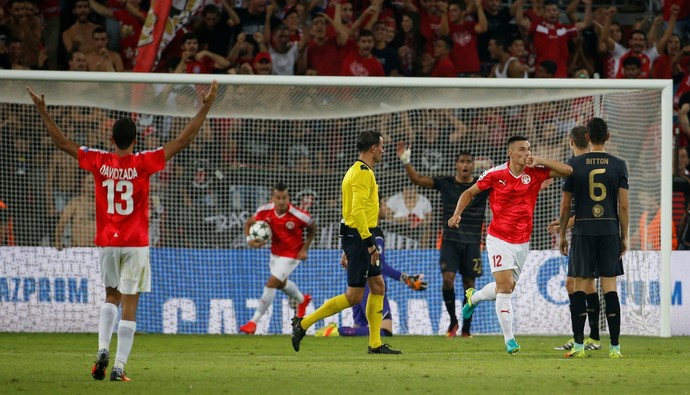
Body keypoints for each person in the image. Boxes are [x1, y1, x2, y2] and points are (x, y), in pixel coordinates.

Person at [26, 80, 218, 381]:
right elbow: (183, 140)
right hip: (137, 243)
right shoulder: (144, 162)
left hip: (107, 242)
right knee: (130, 305)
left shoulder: (100, 161)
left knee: (111, 297)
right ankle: (117, 367)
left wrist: (43, 111)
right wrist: (205, 106)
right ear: (135, 138)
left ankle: (102, 348)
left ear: (111, 138)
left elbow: (61, 143)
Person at [449, 135, 573, 354]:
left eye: (529, 149)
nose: (527, 153)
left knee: (504, 288)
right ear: (511, 153)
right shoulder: (495, 175)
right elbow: (469, 192)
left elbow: (567, 171)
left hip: (523, 241)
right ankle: (510, 340)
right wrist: (457, 214)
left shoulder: (536, 172)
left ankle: (474, 297)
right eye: (522, 150)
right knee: (505, 288)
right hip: (498, 239)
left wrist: (540, 159)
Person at [291, 131, 402, 354]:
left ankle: (375, 344)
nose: (383, 150)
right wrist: (369, 244)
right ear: (373, 148)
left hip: (356, 236)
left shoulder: (358, 170)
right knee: (354, 296)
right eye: (381, 146)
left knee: (378, 285)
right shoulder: (362, 173)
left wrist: (347, 247)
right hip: (361, 238)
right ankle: (302, 324)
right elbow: (357, 211)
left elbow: (348, 213)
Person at [397, 143, 488, 337]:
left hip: (473, 243)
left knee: (469, 286)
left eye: (469, 162)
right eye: (462, 161)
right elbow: (417, 179)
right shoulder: (446, 183)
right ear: (456, 164)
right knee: (448, 280)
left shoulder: (481, 186)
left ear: (473, 165)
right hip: (449, 241)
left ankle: (467, 328)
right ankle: (453, 321)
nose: (465, 165)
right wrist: (406, 160)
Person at [559, 117, 629, 359]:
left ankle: (579, 347)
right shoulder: (619, 165)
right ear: (608, 137)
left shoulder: (574, 164)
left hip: (583, 232)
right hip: (609, 231)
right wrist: (624, 237)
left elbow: (566, 206)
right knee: (610, 288)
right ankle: (615, 348)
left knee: (580, 286)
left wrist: (561, 235)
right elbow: (624, 207)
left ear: (587, 137)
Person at [319, 203, 427, 337]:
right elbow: (379, 265)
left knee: (358, 327)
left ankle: (335, 332)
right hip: (371, 287)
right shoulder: (374, 232)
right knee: (385, 331)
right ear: (375, 207)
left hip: (357, 283)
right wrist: (406, 278)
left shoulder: (358, 229)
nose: (386, 209)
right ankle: (336, 331)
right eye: (383, 205)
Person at [547, 126, 602, 352]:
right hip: (589, 231)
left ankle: (593, 338)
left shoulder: (575, 166)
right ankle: (581, 336)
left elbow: (576, 206)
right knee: (575, 284)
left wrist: (565, 227)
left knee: (586, 284)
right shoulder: (596, 164)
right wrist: (566, 224)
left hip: (588, 233)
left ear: (570, 141)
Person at [239, 182, 317, 335]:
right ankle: (302, 300)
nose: (281, 201)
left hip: (292, 255)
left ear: (288, 198)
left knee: (271, 283)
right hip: (275, 254)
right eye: (278, 198)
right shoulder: (264, 211)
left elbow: (313, 227)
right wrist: (250, 240)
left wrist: (304, 248)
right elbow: (248, 223)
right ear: (272, 198)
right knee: (281, 284)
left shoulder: (298, 215)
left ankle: (253, 322)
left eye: (284, 198)